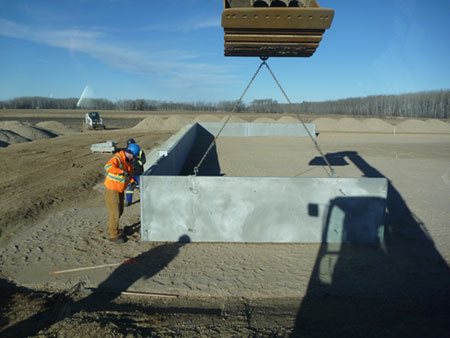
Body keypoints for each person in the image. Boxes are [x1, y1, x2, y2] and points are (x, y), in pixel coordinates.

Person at [104, 143, 141, 244]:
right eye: (134, 155)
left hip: (119, 189)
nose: (134, 158)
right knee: (114, 213)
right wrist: (120, 172)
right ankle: (113, 235)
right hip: (112, 189)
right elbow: (107, 167)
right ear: (130, 153)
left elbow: (129, 173)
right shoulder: (118, 158)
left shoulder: (127, 161)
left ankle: (115, 229)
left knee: (120, 210)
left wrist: (132, 182)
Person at [124, 138, 146, 207]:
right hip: (130, 173)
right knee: (129, 187)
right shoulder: (126, 152)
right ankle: (128, 201)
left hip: (139, 173)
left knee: (142, 187)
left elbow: (143, 160)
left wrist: (136, 164)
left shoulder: (140, 151)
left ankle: (145, 200)